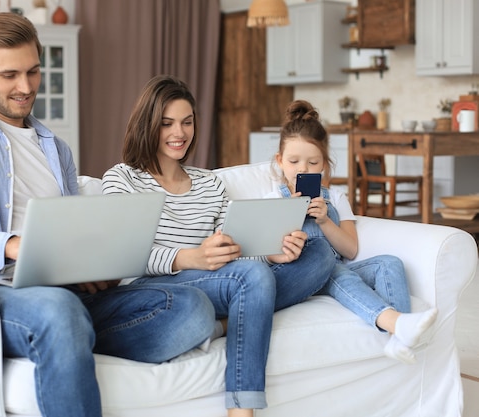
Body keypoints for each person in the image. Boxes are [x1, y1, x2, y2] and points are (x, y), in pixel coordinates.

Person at [0, 13, 217, 417]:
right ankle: (63, 336)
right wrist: (9, 245)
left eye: (33, 71)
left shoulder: (55, 148)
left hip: (67, 290)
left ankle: (65, 343)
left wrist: (88, 265)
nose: (25, 87)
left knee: (190, 306)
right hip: (0, 293)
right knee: (60, 313)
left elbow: (68, 229)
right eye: (9, 75)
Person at [102, 75, 334, 417]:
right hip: (151, 290)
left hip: (214, 283)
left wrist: (271, 250)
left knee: (319, 255)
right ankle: (241, 404)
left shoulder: (209, 183)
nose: (178, 133)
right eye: (167, 124)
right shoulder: (122, 178)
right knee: (235, 286)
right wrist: (187, 257)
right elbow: (121, 256)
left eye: (187, 122)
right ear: (148, 124)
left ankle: (225, 330)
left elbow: (234, 246)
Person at [269, 99, 438, 364]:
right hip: (302, 275)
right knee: (332, 267)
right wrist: (287, 222)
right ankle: (395, 324)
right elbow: (265, 253)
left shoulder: (335, 197)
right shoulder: (272, 199)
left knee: (389, 263)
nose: (303, 169)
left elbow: (350, 250)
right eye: (294, 161)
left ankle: (399, 337)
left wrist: (325, 221)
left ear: (324, 163)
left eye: (313, 162)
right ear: (280, 161)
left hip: (336, 267)